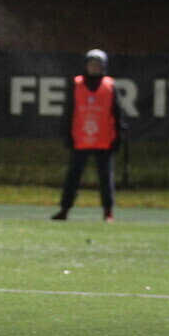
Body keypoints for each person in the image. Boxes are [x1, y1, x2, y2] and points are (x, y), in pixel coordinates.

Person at [51, 48, 119, 222]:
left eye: (97, 65)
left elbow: (117, 112)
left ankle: (108, 211)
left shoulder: (110, 86)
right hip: (80, 139)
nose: (94, 68)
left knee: (106, 177)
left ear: (103, 67)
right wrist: (67, 134)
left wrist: (118, 135)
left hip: (103, 140)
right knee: (73, 177)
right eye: (91, 64)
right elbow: (69, 111)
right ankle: (65, 209)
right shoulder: (77, 84)